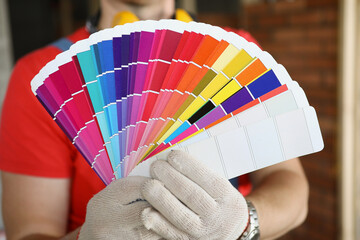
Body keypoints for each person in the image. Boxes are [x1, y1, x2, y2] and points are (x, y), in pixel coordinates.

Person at [0, 0, 309, 239]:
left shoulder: (239, 53)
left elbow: (290, 185)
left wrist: (244, 222)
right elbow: (29, 232)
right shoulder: (42, 79)